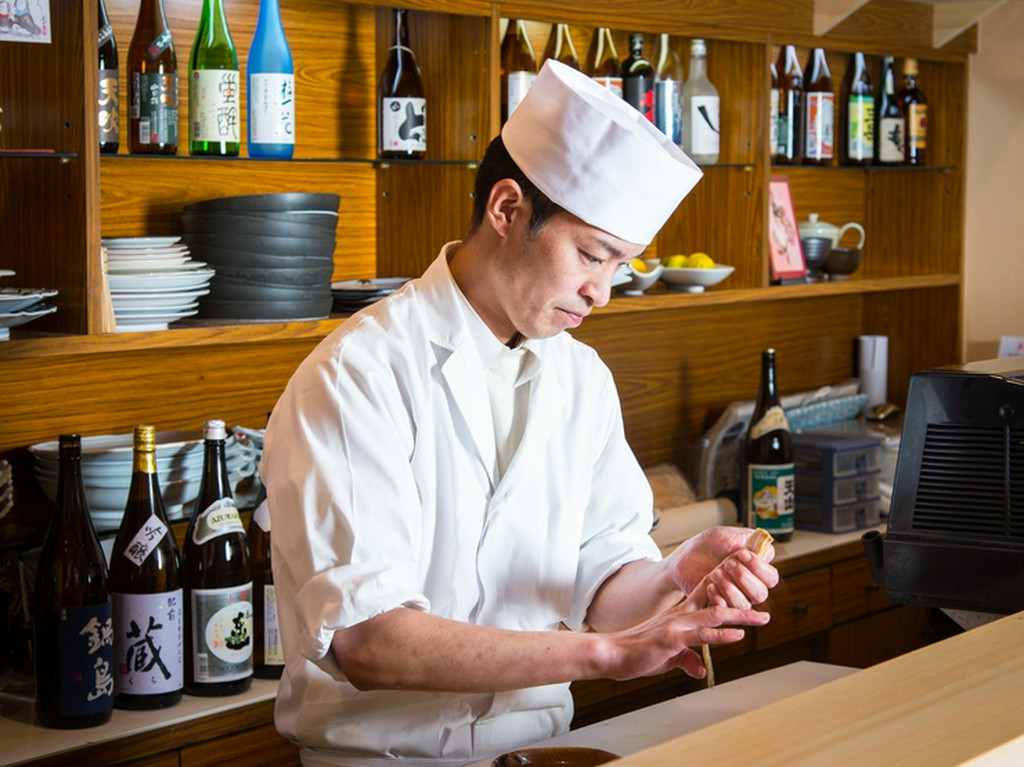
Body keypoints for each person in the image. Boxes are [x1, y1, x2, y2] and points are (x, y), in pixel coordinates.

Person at [260, 60, 779, 767]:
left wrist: (672, 575)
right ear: (506, 210)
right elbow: (370, 640)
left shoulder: (581, 377)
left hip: (538, 751)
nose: (601, 292)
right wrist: (605, 654)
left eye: (620, 267)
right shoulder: (359, 374)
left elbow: (603, 584)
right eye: (592, 256)